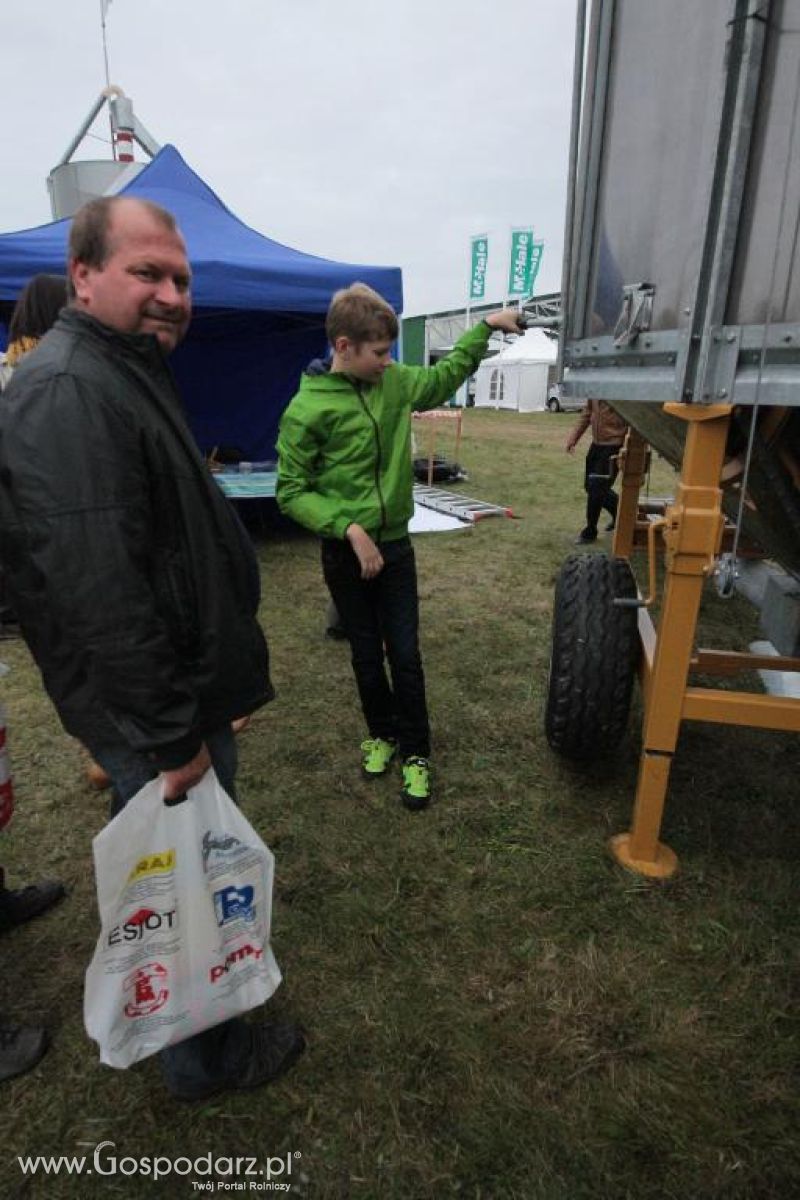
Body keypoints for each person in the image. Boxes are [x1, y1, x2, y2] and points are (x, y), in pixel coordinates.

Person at [0, 196, 303, 1101]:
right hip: (155, 714)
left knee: (183, 875)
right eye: (147, 273)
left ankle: (200, 1046)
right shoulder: (67, 391)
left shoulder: (120, 366)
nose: (172, 294)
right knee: (187, 888)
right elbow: (100, 594)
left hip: (172, 695)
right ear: (84, 274)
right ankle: (205, 1059)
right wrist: (176, 736)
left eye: (181, 278)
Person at [277, 282, 522, 809]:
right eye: (380, 352)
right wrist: (348, 527)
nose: (389, 362)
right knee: (366, 656)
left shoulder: (394, 384)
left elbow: (442, 377)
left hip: (396, 551)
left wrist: (483, 329)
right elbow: (292, 491)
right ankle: (381, 735)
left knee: (404, 656)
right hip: (346, 557)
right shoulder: (307, 408)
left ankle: (416, 753)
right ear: (344, 347)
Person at [565, 397, 629, 543]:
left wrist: (626, 446)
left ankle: (590, 532)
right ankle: (620, 513)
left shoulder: (622, 389)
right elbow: (587, 413)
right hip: (597, 444)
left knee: (597, 487)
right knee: (590, 486)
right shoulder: (595, 387)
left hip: (614, 444)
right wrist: (574, 438)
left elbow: (633, 419)